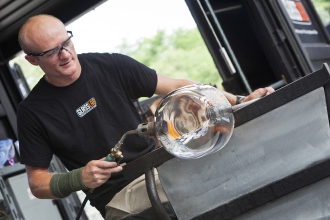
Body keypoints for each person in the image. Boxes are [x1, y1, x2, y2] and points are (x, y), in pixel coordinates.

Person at [17, 14, 274, 220]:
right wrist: (79, 177)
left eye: (67, 42)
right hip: (117, 196)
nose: (65, 54)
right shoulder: (33, 112)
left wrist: (239, 101)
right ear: (31, 60)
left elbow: (178, 86)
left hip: (162, 168)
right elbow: (37, 184)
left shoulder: (110, 66)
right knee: (201, 189)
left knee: (234, 165)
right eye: (52, 51)